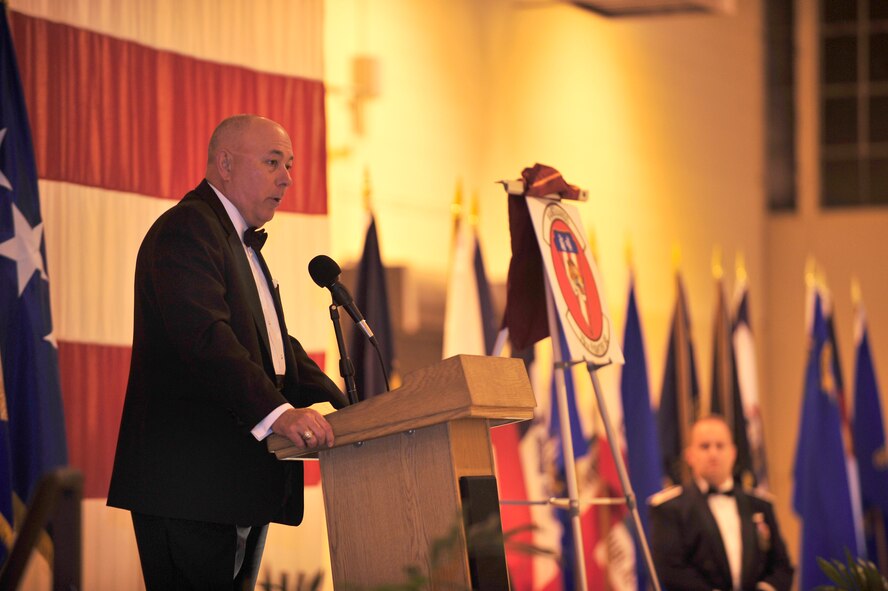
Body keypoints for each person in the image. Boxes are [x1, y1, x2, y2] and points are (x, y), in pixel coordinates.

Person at [107, 114, 347, 590]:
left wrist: (350, 403)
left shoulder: (236, 241)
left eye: (290, 165)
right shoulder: (188, 229)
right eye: (273, 161)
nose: (287, 178)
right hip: (190, 486)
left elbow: (274, 350)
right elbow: (205, 340)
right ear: (225, 164)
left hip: (231, 485)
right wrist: (280, 414)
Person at [649, 415, 794, 591]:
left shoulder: (760, 504)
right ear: (689, 455)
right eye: (704, 446)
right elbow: (671, 570)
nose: (713, 453)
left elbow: (782, 565)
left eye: (720, 445)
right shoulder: (669, 508)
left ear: (733, 453)